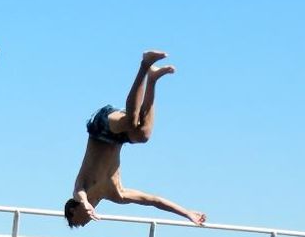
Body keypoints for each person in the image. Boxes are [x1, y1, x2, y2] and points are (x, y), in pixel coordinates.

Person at [65, 51, 206, 227]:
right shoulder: (117, 193)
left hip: (99, 129)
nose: (82, 225)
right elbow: (152, 200)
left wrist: (85, 203)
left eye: (76, 223)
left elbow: (78, 192)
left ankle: (145, 64)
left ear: (72, 211)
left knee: (131, 121)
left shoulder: (82, 188)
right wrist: (187, 213)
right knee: (143, 134)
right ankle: (152, 79)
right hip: (118, 139)